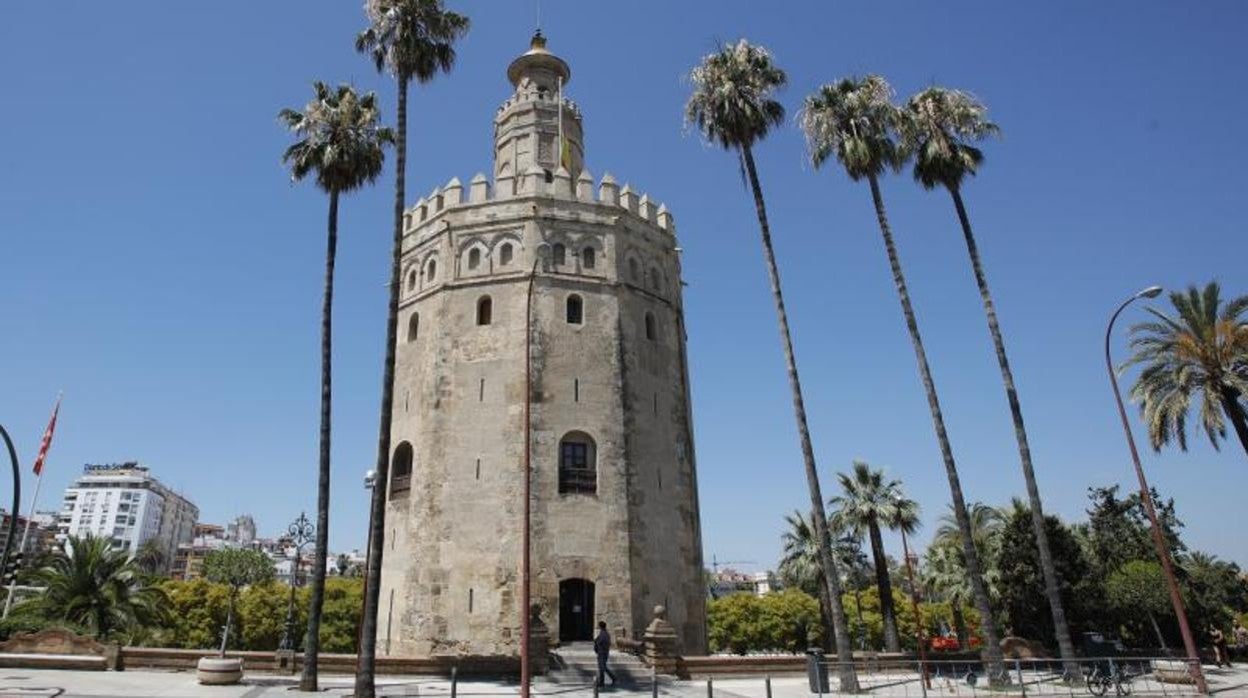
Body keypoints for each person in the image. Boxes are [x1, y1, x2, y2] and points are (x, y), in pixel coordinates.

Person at [594, 620, 617, 688]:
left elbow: (600, 643)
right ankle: (603, 682)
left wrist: (597, 646)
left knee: (602, 667)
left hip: (602, 653)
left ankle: (612, 678)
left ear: (600, 626)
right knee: (602, 668)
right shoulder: (604, 634)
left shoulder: (603, 634)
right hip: (603, 653)